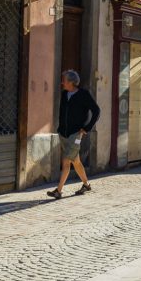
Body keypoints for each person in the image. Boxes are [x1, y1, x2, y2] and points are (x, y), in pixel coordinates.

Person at [48, 69, 100, 199]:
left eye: (64, 80)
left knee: (66, 161)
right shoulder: (65, 94)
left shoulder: (83, 94)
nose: (62, 83)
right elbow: (62, 113)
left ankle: (58, 191)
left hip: (75, 134)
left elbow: (96, 111)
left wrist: (86, 128)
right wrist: (60, 129)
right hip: (64, 134)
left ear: (71, 82)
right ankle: (86, 185)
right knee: (75, 161)